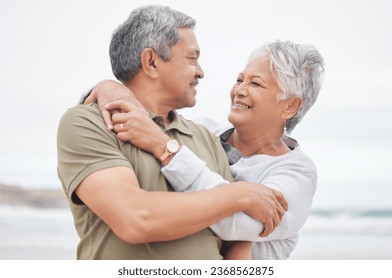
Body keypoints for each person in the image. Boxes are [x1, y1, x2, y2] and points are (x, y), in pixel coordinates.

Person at [57, 5, 287, 260]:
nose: (200, 71)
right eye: (192, 58)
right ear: (151, 62)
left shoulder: (206, 139)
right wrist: (239, 194)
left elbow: (234, 239)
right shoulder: (88, 123)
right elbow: (135, 219)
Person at [85, 40, 325, 259]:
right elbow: (141, 125)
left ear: (290, 106)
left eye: (256, 84)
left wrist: (165, 148)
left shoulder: (297, 173)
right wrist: (110, 88)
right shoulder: (202, 131)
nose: (239, 90)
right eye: (240, 79)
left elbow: (234, 224)